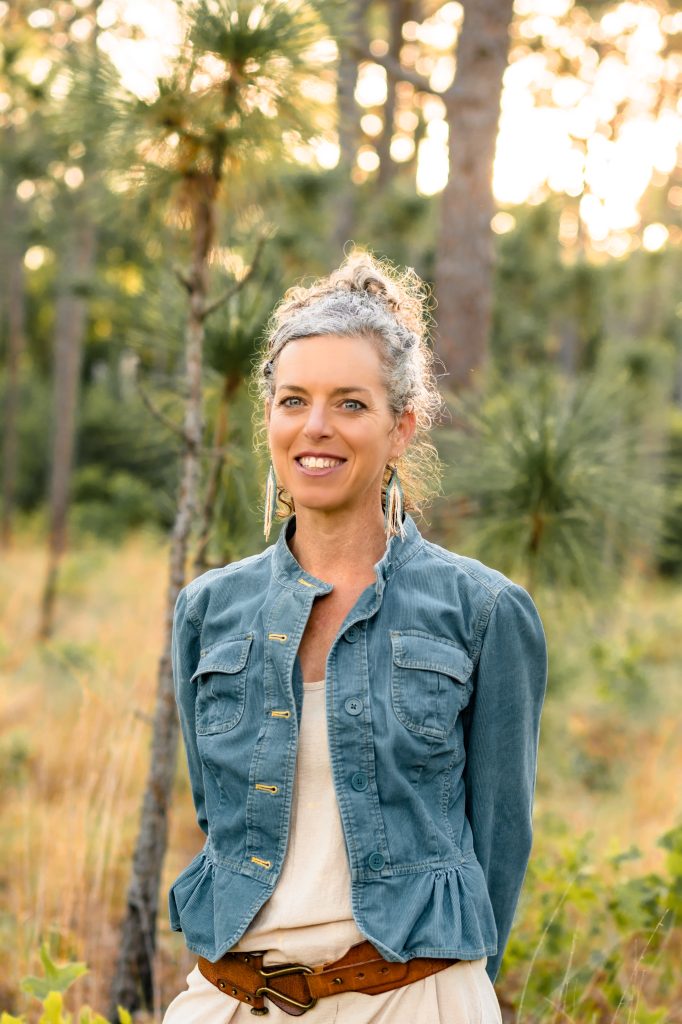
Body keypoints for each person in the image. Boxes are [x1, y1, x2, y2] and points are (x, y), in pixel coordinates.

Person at [161, 250, 548, 1023]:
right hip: (233, 1000)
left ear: (402, 427)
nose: (316, 427)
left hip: (414, 998)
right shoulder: (208, 609)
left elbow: (502, 841)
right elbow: (219, 818)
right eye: (294, 400)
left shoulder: (483, 610)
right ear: (269, 418)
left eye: (350, 404)